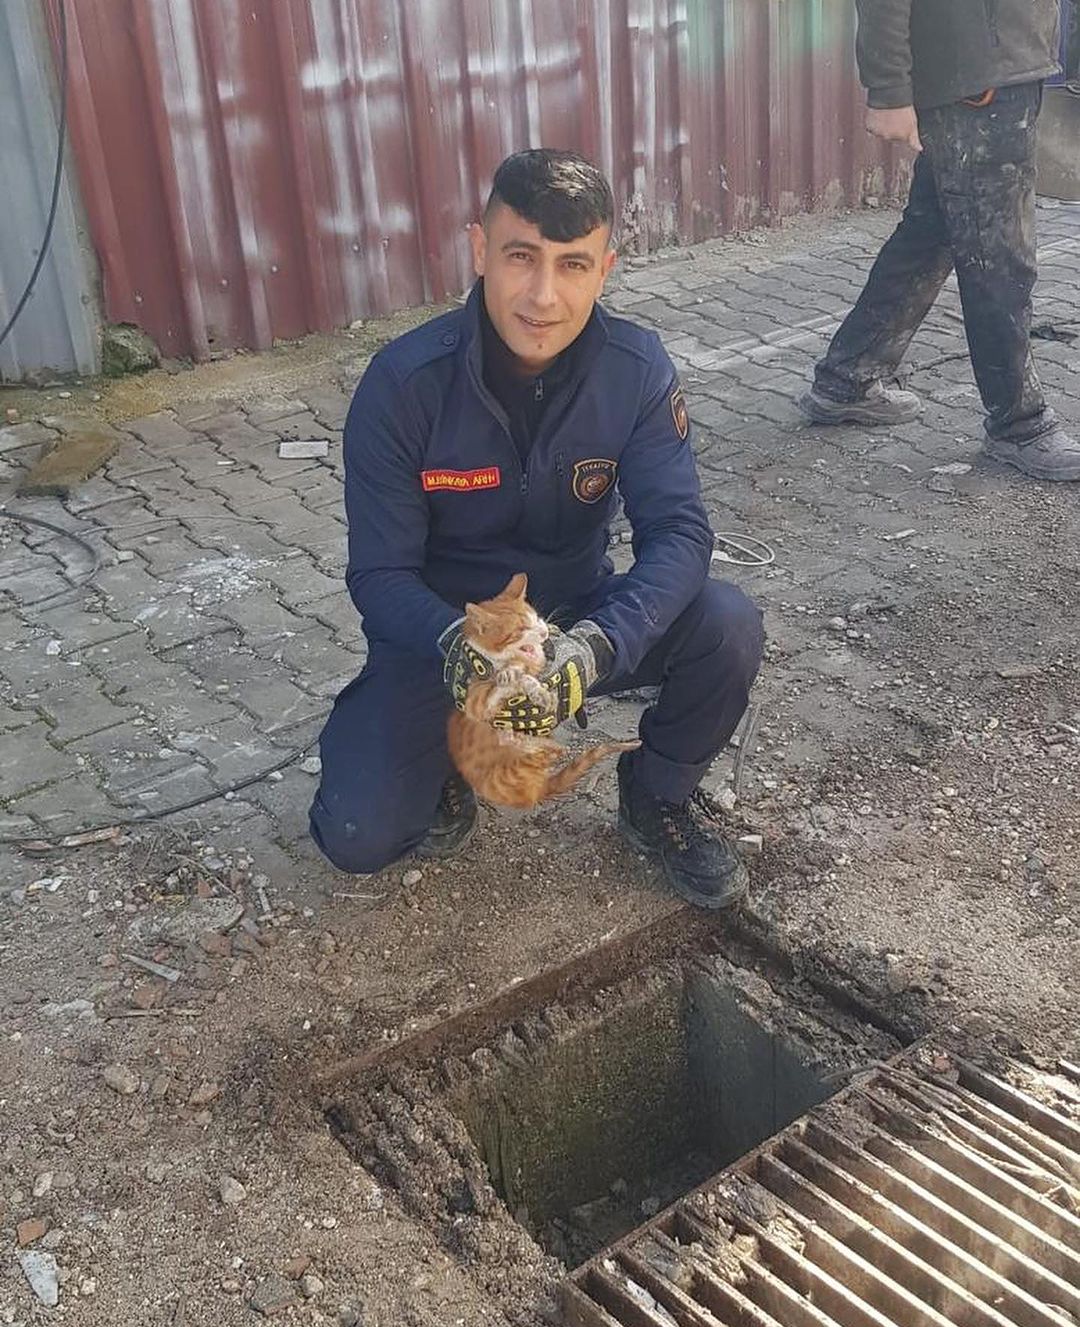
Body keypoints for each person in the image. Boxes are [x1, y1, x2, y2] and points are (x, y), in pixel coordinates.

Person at [309, 149, 764, 910]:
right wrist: (458, 648)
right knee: (357, 834)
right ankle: (447, 767)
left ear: (606, 268)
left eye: (573, 264)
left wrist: (592, 647)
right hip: (443, 639)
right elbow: (379, 575)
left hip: (573, 620)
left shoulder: (637, 372)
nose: (544, 295)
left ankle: (658, 794)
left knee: (728, 625)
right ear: (480, 250)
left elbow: (680, 533)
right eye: (521, 257)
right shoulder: (403, 387)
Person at [799, 0, 1080, 481]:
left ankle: (848, 376)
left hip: (1006, 67)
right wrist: (887, 90)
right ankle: (1019, 423)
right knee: (999, 254)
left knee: (934, 234)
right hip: (979, 82)